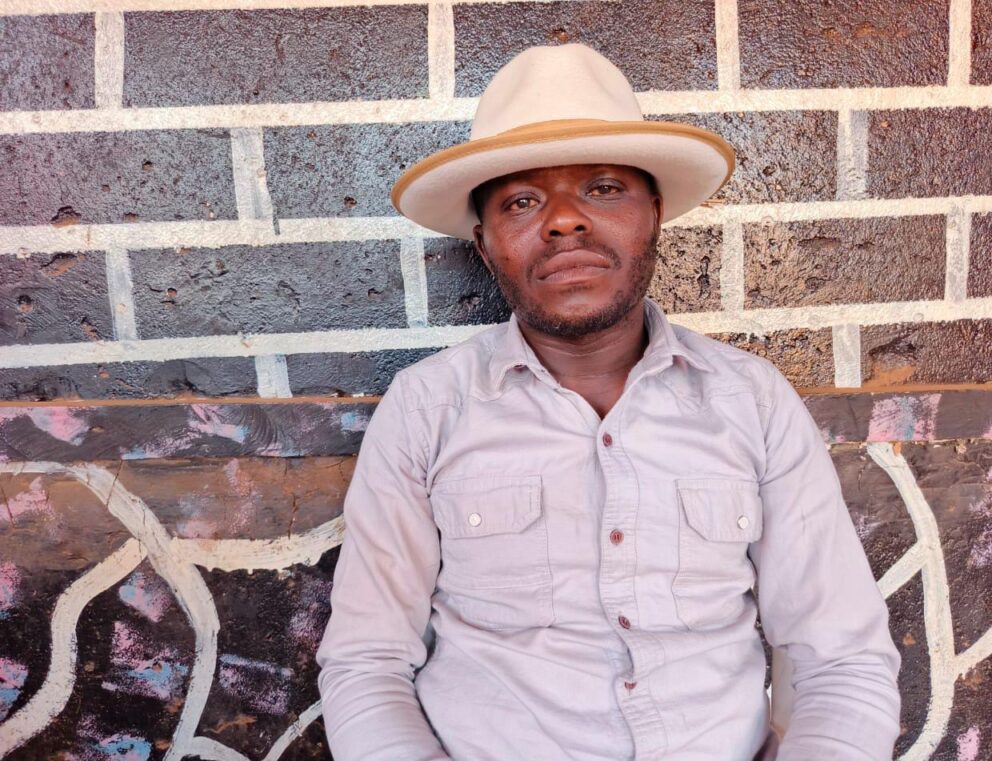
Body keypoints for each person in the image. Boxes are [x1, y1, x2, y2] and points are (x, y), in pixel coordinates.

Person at [315, 43, 901, 761]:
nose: (564, 221)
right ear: (486, 244)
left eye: (601, 188)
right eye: (522, 202)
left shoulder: (752, 400)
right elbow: (366, 663)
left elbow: (842, 659)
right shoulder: (426, 408)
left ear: (653, 213)